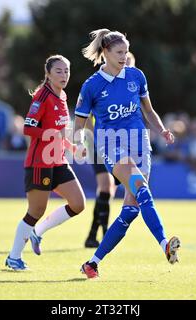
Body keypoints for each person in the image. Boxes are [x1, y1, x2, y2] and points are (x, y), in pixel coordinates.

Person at [74, 29, 180, 279]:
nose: (124, 57)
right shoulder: (91, 86)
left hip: (141, 143)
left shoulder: (136, 76)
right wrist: (79, 142)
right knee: (142, 189)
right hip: (112, 145)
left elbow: (149, 112)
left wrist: (162, 130)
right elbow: (78, 124)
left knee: (131, 210)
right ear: (106, 53)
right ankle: (165, 244)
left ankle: (92, 263)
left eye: (125, 52)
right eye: (119, 52)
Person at [5, 55, 86, 271]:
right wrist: (51, 135)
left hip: (58, 161)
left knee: (78, 203)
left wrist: (73, 148)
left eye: (66, 71)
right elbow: (28, 129)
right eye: (59, 71)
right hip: (40, 162)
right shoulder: (42, 96)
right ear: (48, 73)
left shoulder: (62, 95)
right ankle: (14, 257)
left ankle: (37, 232)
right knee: (35, 211)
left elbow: (60, 133)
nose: (64, 75)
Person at [83, 51, 137, 248]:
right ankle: (104, 234)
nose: (125, 66)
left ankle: (92, 235)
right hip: (99, 143)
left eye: (129, 64)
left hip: (121, 144)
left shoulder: (131, 87)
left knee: (109, 190)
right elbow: (84, 115)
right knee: (105, 186)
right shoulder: (99, 83)